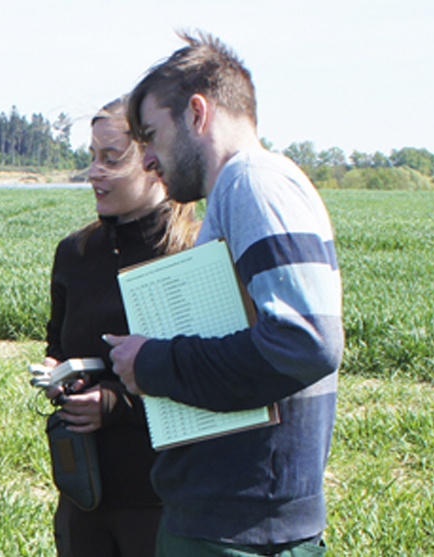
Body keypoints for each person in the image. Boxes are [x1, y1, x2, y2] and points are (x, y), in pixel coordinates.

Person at [105, 31, 344, 557]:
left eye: (151, 136)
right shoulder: (247, 188)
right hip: (235, 519)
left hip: (242, 530)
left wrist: (153, 363)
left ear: (197, 113)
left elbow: (306, 342)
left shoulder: (253, 183)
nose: (147, 160)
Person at [43, 97, 200, 557]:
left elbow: (209, 376)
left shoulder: (192, 255)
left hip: (164, 498)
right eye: (92, 156)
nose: (94, 172)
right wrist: (57, 373)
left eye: (111, 159)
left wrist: (116, 404)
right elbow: (57, 343)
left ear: (154, 162)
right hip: (84, 490)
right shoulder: (74, 254)